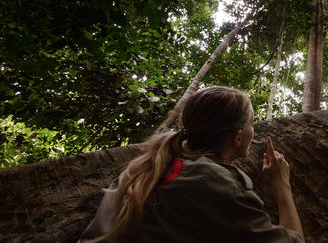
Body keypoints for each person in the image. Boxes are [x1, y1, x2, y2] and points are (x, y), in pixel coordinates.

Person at [80, 86, 304, 242]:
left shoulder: (138, 171)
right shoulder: (222, 186)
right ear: (237, 138)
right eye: (252, 124)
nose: (254, 131)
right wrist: (281, 183)